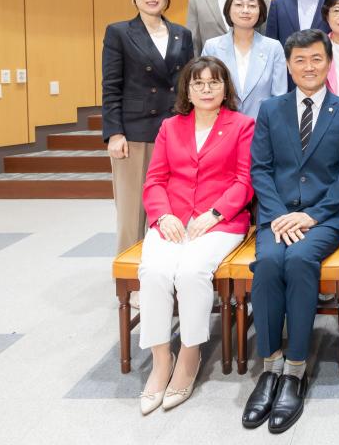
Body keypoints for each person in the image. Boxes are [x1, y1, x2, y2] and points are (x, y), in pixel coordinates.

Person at [242, 29, 339, 434]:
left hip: (324, 218)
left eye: (316, 59)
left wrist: (312, 216)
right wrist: (277, 215)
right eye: (299, 60)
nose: (308, 67)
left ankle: (294, 370)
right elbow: (260, 168)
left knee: (299, 260)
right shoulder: (271, 110)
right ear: (289, 65)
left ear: (329, 63)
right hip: (277, 216)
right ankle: (269, 367)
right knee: (270, 261)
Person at [137, 56, 254, 414]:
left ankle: (189, 356)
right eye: (198, 83)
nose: (206, 89)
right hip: (172, 218)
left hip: (219, 221)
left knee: (190, 273)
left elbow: (244, 180)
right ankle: (161, 362)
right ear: (187, 89)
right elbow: (155, 179)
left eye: (214, 83)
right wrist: (163, 214)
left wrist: (216, 213)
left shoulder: (242, 124)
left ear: (225, 88)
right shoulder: (171, 126)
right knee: (154, 273)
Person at [102, 0, 194, 258]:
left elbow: (186, 85)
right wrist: (114, 133)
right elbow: (111, 86)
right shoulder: (119, 33)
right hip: (136, 132)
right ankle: (129, 282)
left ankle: (165, 272)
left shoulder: (182, 34)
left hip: (176, 131)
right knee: (132, 214)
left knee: (173, 208)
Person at [201, 0, 286, 119]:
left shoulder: (274, 48)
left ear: (260, 11)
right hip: (221, 128)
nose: (245, 10)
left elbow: (279, 97)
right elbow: (205, 92)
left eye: (252, 5)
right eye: (239, 4)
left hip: (261, 131)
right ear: (228, 8)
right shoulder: (212, 47)